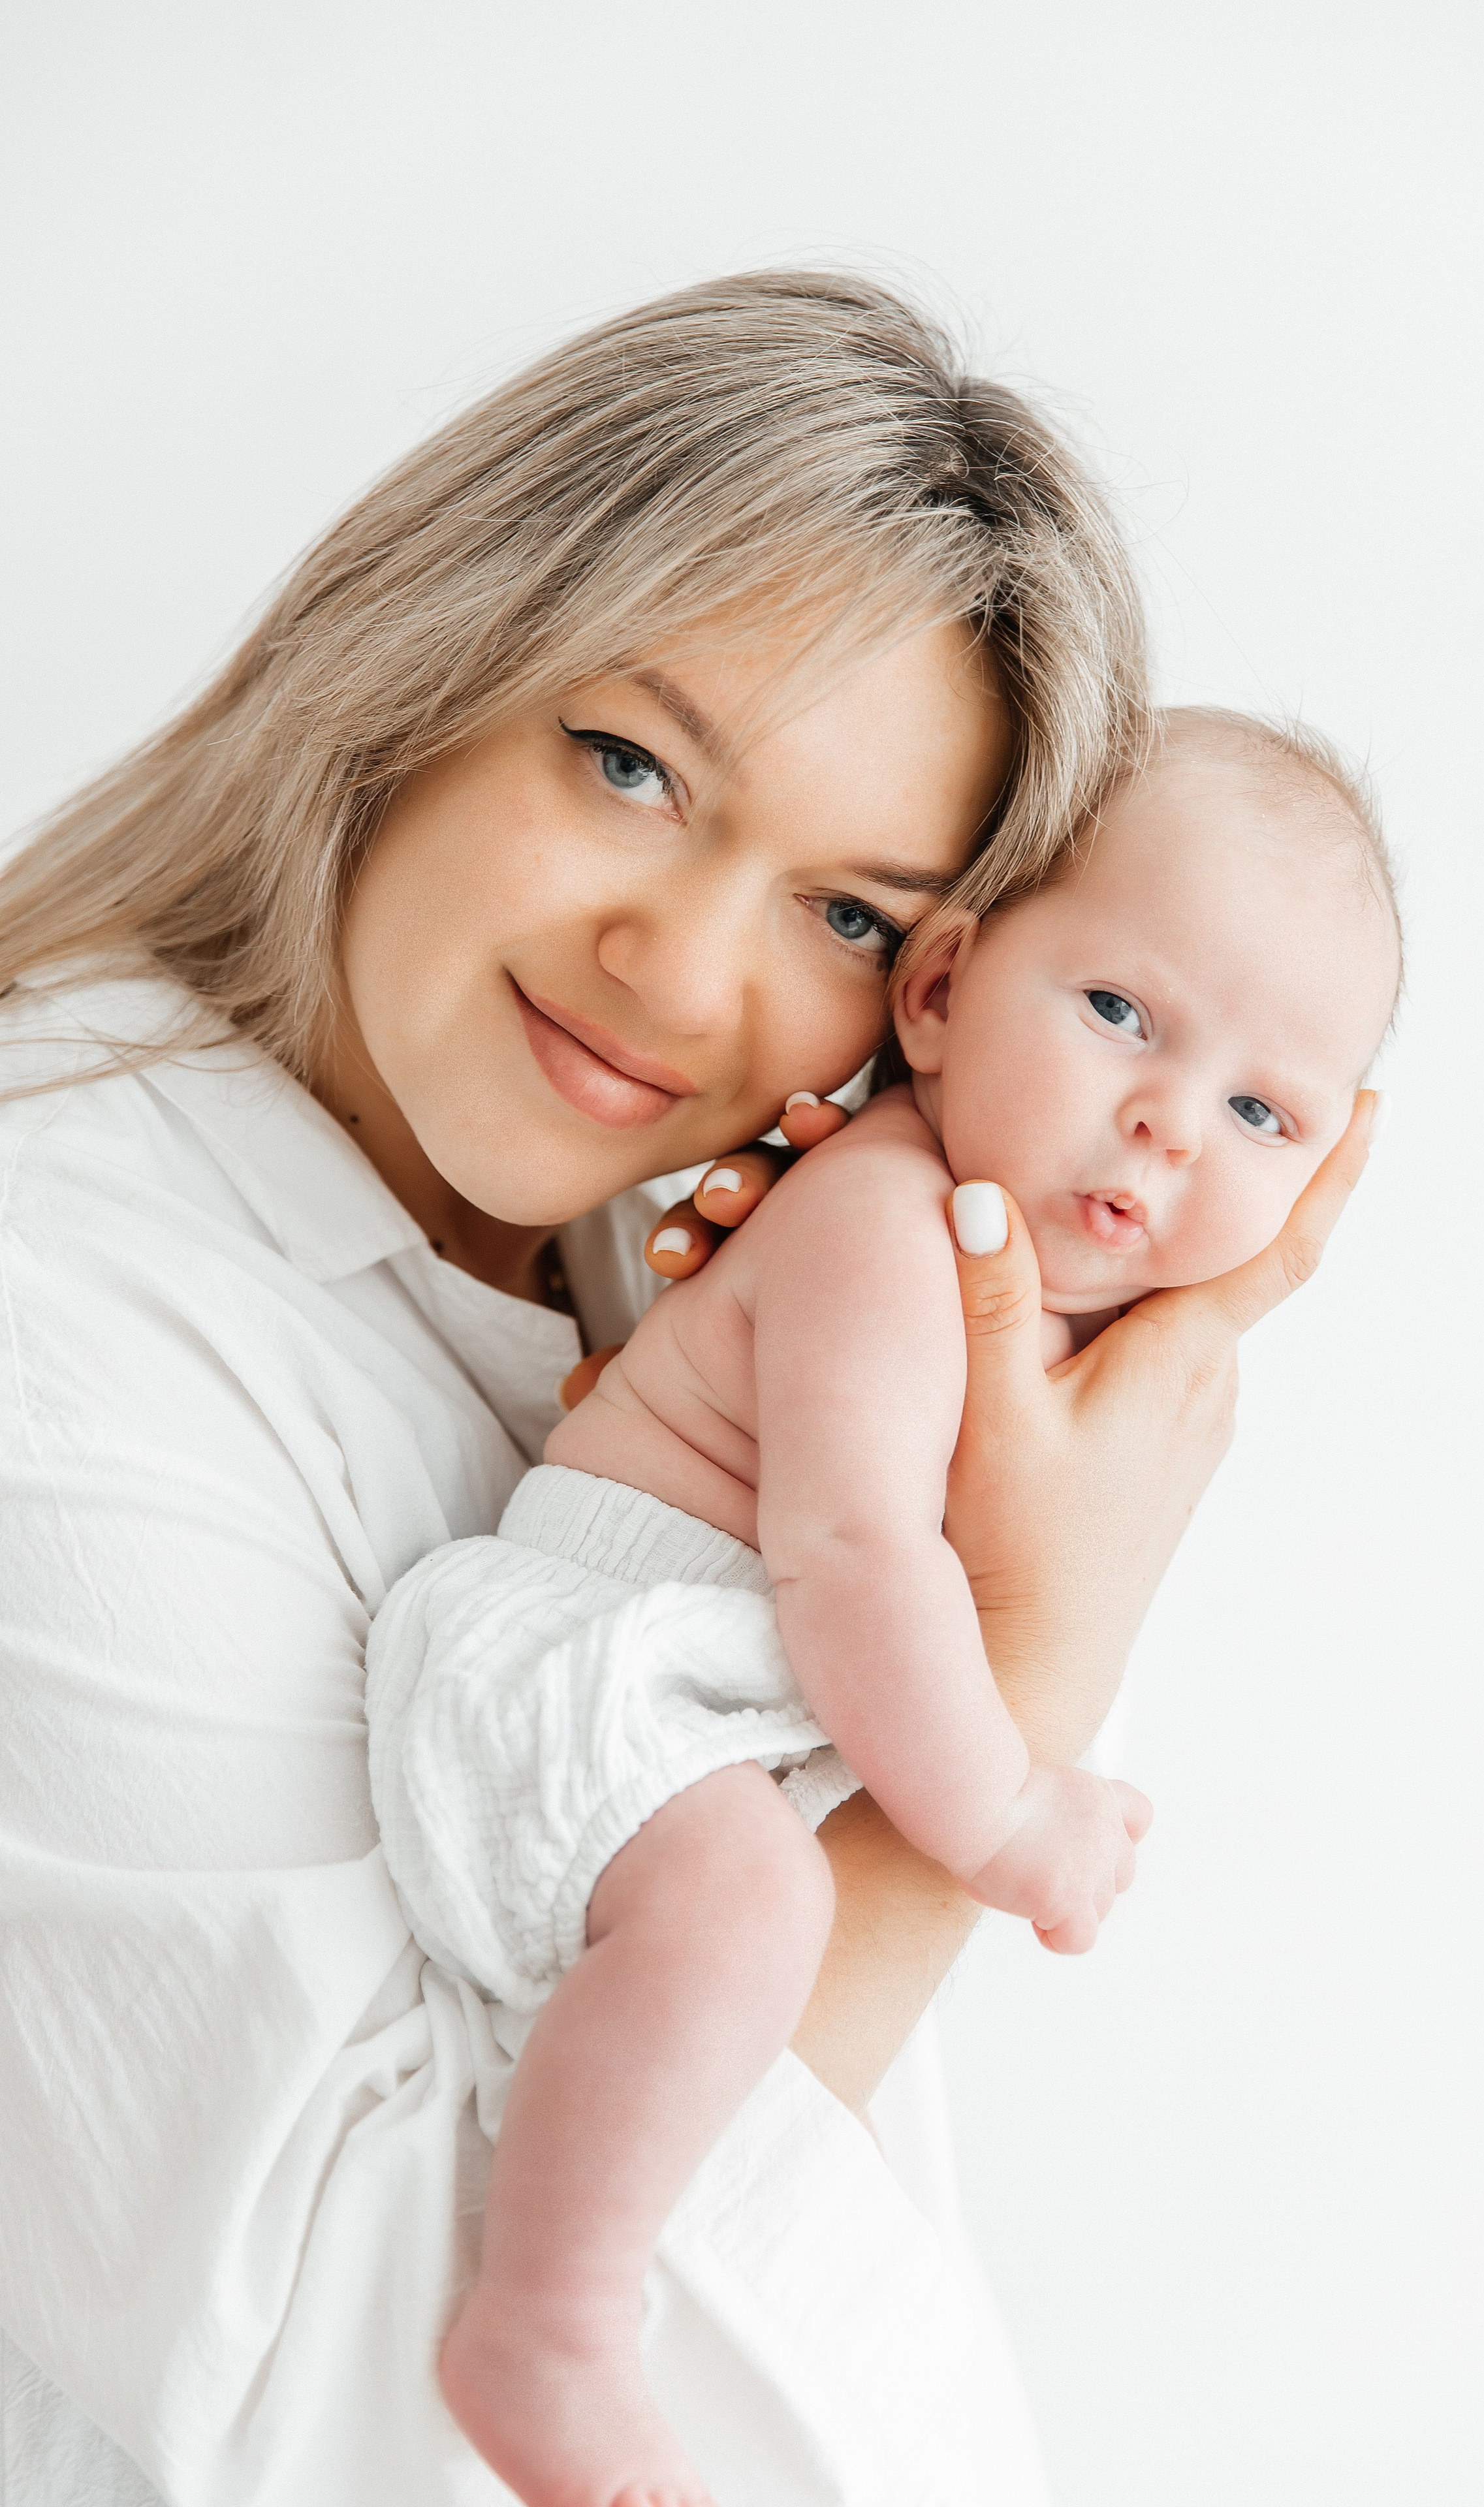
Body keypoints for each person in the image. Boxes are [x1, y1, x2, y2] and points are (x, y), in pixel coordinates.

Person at [0, 274, 1374, 2506]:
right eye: (630, 764)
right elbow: (358, 2404)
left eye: (848, 914)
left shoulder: (657, 1285)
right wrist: (1039, 1660)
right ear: (424, 663)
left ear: (941, 985)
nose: (686, 966)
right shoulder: (53, 1288)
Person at [368, 706, 1396, 2505]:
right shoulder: (881, 1224)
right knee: (751, 1901)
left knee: (778, 2023)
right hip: (593, 1676)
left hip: (690, 1726)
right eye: (1122, 1016)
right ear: (937, 996)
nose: (1167, 1118)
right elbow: (855, 1562)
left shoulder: (1042, 1309)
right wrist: (997, 1813)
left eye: (1259, 1112)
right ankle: (547, 2313)